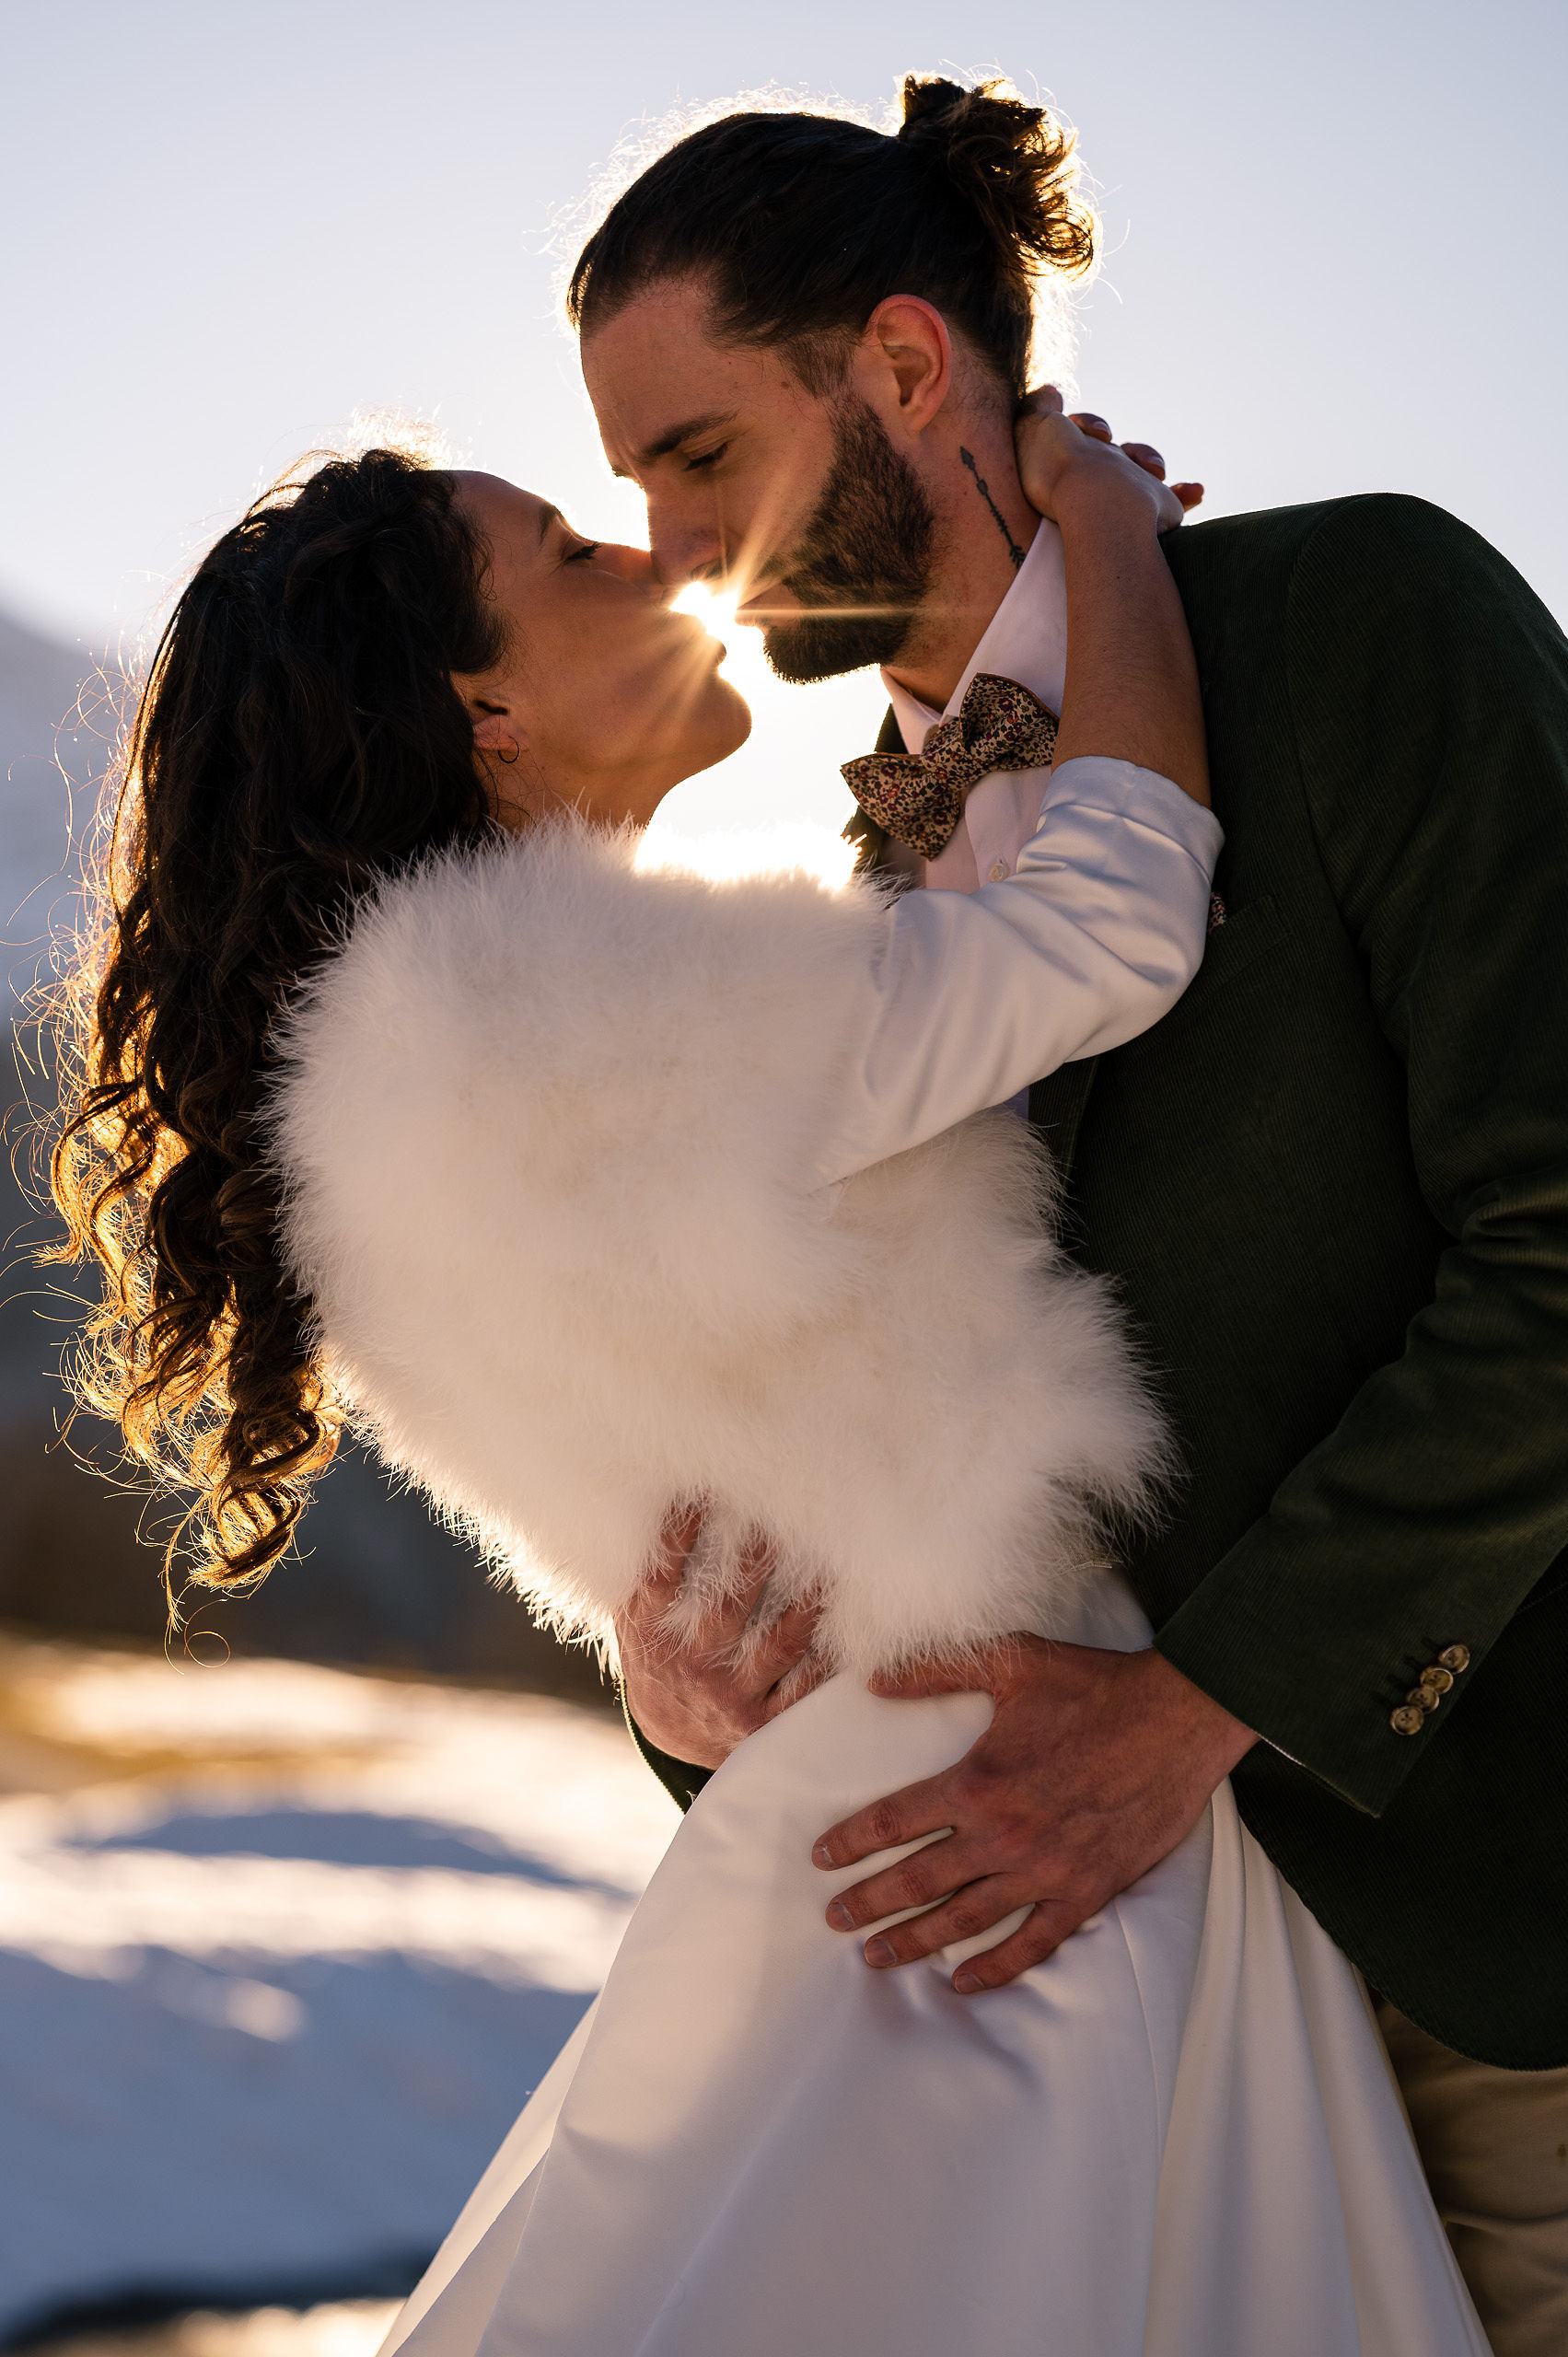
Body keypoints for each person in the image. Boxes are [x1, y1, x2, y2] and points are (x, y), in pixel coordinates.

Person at [51, 403, 1484, 2344]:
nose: (663, 563)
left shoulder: (387, 1089)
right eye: (577, 552)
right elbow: (1112, 927)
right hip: (1016, 1842)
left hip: (844, 1839)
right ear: (485, 714)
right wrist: (1117, 535)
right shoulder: (572, 1004)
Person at [561, 69, 1568, 2357]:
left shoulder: (1357, 621)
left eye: (696, 455)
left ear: (908, 367)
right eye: (628, 490)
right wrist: (692, 1692)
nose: (674, 550)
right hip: (1106, 2057)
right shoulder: (840, 934)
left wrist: (1202, 1706)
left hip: (1508, 1973)